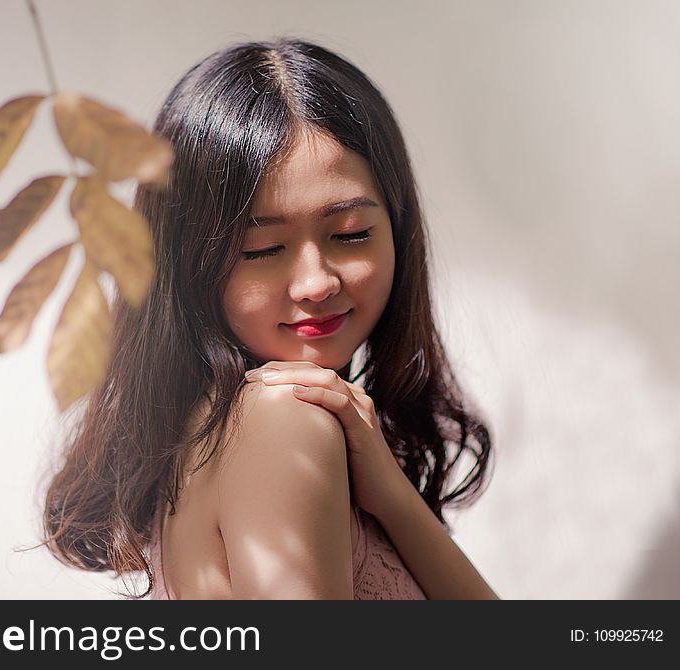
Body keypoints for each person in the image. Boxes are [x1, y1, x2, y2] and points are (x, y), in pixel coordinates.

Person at [42, 38, 498, 600]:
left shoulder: (236, 424)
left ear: (399, 229)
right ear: (189, 264)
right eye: (261, 249)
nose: (316, 283)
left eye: (351, 234)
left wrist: (395, 498)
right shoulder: (283, 422)